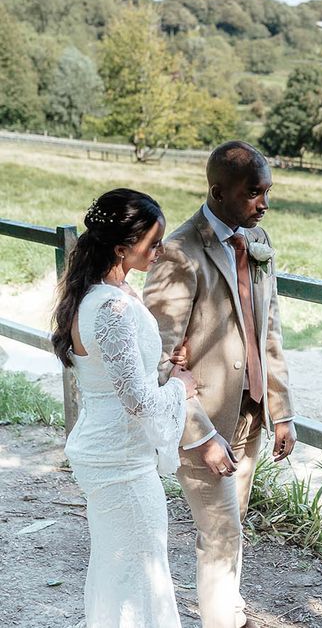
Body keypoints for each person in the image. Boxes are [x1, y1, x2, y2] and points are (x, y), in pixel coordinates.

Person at [143, 140, 297, 628]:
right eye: (254, 192)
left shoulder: (256, 241)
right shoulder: (179, 253)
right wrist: (200, 435)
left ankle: (227, 608)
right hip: (204, 418)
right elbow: (158, 362)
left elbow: (268, 329)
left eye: (267, 191)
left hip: (249, 413)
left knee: (231, 525)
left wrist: (281, 410)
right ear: (218, 192)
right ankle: (222, 620)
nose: (264, 203)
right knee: (221, 530)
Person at [53, 189, 198, 628]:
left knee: (119, 569)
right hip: (120, 462)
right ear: (121, 248)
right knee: (140, 574)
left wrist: (165, 371)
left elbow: (119, 377)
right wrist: (180, 387)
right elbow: (136, 402)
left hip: (109, 451)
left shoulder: (97, 294)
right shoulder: (113, 306)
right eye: (152, 243)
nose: (160, 251)